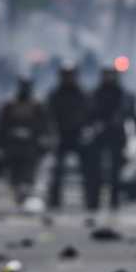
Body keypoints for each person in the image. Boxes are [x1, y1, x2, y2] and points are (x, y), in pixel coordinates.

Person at [83, 67, 136, 211]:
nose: (109, 79)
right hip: (99, 136)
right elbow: (87, 115)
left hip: (116, 136)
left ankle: (114, 201)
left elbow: (132, 115)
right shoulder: (95, 95)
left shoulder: (123, 96)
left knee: (116, 171)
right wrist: (91, 127)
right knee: (95, 171)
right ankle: (94, 201)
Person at [0, 76, 54, 204]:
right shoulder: (11, 106)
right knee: (15, 174)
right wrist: (0, 143)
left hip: (30, 146)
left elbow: (44, 126)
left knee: (28, 173)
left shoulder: (37, 106)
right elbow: (2, 126)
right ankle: (19, 193)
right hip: (13, 146)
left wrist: (44, 139)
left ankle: (24, 193)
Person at [46, 62, 89, 210]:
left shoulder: (82, 94)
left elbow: (88, 114)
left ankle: (90, 201)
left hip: (78, 135)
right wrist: (52, 134)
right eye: (66, 76)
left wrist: (86, 131)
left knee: (87, 170)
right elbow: (49, 116)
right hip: (61, 135)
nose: (68, 78)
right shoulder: (56, 95)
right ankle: (54, 201)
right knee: (57, 171)